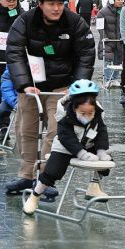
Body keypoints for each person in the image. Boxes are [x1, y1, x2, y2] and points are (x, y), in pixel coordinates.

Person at [3, 0, 95, 196]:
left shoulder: (75, 22)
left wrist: (76, 87)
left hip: (62, 85)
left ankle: (44, 178)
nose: (56, 8)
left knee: (56, 130)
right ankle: (26, 175)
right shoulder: (25, 21)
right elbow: (14, 51)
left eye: (60, 4)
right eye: (51, 4)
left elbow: (86, 54)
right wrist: (24, 84)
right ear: (41, 4)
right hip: (32, 85)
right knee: (26, 129)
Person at [23, 79, 110, 215]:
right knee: (52, 171)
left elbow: (102, 133)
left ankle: (94, 186)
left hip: (87, 144)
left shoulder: (98, 116)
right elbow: (67, 139)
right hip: (64, 148)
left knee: (105, 161)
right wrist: (81, 153)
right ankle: (35, 195)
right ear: (74, 108)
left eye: (90, 113)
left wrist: (101, 151)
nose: (87, 117)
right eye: (83, 113)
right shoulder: (65, 118)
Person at [97, 0, 124, 80]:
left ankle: (115, 79)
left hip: (119, 41)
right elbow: (100, 27)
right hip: (108, 41)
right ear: (112, 0)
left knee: (118, 62)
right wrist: (105, 37)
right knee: (107, 62)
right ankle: (108, 79)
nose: (121, 1)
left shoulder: (124, 12)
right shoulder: (102, 12)